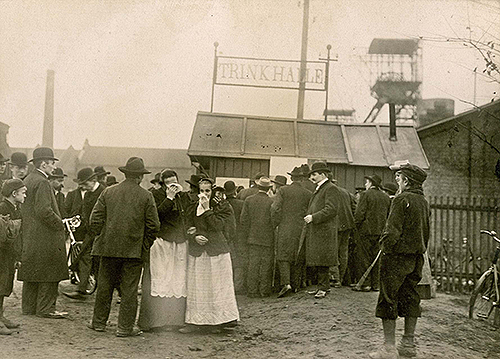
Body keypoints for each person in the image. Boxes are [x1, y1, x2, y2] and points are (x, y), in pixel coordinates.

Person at [88, 157, 160, 337]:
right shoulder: (146, 196)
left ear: (125, 174)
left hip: (108, 249)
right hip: (133, 252)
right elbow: (154, 226)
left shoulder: (108, 192)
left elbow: (94, 220)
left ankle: (98, 323)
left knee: (104, 286)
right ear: (140, 177)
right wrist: (144, 245)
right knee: (129, 290)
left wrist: (103, 237)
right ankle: (125, 328)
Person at [369, 164, 430, 359]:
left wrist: (384, 247)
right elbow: (426, 233)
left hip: (395, 258)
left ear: (407, 181)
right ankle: (408, 345)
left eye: (399, 178)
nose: (397, 182)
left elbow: (392, 231)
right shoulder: (423, 201)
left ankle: (388, 349)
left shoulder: (400, 199)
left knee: (388, 298)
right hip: (416, 258)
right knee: (411, 297)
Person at [180, 178, 239, 333]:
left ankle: (218, 322)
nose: (204, 194)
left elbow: (218, 226)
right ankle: (196, 322)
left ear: (212, 191)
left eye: (207, 191)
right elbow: (187, 226)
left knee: (217, 287)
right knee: (198, 286)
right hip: (198, 252)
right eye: (201, 191)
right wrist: (194, 237)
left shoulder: (222, 206)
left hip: (216, 252)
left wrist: (207, 210)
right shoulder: (192, 207)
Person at [138, 169, 192, 331]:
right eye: (169, 183)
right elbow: (157, 215)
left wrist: (190, 228)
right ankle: (154, 322)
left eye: (174, 182)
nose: (173, 186)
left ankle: (175, 321)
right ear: (163, 184)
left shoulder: (183, 197)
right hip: (162, 242)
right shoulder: (156, 195)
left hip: (179, 242)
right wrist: (169, 198)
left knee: (177, 280)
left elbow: (187, 215)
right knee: (160, 279)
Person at [18, 147, 68, 319]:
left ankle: (29, 308)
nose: (54, 167)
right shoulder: (43, 182)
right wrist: (60, 224)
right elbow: (44, 211)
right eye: (52, 163)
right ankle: (46, 308)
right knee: (49, 272)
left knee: (32, 271)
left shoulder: (28, 179)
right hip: (46, 236)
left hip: (30, 235)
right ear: (44, 163)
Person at [64, 167, 105, 300]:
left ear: (93, 180)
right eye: (81, 184)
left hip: (103, 234)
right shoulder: (87, 194)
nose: (82, 187)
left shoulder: (105, 192)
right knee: (85, 258)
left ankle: (114, 292)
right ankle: (82, 290)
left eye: (85, 183)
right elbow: (85, 214)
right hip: (89, 233)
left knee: (102, 263)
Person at [272, 167, 311, 297]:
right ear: (302, 179)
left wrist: (276, 223)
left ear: (291, 178)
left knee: (283, 256)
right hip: (301, 228)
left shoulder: (283, 190)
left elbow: (275, 208)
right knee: (298, 255)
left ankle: (286, 284)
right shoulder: (308, 193)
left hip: (285, 226)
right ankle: (296, 285)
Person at [303, 162, 339, 299]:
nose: (312, 177)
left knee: (322, 260)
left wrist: (313, 217)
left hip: (324, 230)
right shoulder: (321, 188)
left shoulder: (330, 188)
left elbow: (331, 209)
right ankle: (322, 287)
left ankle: (323, 288)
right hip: (319, 229)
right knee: (319, 259)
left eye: (314, 174)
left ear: (323, 174)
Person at [353, 174, 391, 292]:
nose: (365, 184)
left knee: (364, 257)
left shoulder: (365, 195)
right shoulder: (386, 197)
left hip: (366, 231)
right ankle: (376, 284)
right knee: (376, 258)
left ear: (371, 183)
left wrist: (356, 227)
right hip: (380, 232)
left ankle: (365, 284)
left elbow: (360, 214)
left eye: (367, 182)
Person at [240, 177, 275, 298]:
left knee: (253, 264)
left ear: (258, 187)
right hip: (268, 238)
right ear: (269, 188)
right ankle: (264, 291)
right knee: (266, 264)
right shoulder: (272, 202)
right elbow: (274, 220)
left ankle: (252, 291)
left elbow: (243, 220)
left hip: (252, 238)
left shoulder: (249, 200)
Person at [0, 179, 25, 334]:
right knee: (0, 285)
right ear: (14, 194)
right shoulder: (3, 208)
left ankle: (1, 316)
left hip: (9, 254)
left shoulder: (15, 208)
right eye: (23, 192)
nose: (25, 195)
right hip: (2, 253)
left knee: (5, 285)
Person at [224, 180, 245, 294]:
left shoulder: (222, 203)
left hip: (226, 236)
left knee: (228, 260)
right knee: (239, 261)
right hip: (239, 236)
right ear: (235, 190)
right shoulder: (241, 204)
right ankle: (238, 286)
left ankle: (227, 285)